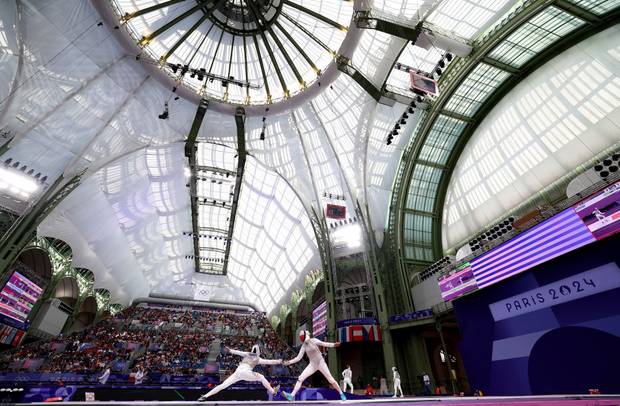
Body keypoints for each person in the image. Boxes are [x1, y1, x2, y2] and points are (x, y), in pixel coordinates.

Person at [198, 344, 281, 401]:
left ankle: (205, 396)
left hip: (238, 372)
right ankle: (273, 392)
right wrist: (280, 361)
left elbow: (235, 351)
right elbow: (271, 361)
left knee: (222, 385)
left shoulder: (249, 355)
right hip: (244, 373)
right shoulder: (256, 358)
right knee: (261, 377)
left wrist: (229, 350)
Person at [282, 330, 346, 401]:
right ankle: (291, 396)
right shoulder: (304, 346)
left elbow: (324, 344)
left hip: (321, 363)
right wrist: (289, 362)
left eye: (302, 337)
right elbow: (298, 358)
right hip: (312, 365)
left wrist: (334, 345)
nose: (302, 339)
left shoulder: (314, 340)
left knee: (331, 380)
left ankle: (341, 394)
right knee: (300, 378)